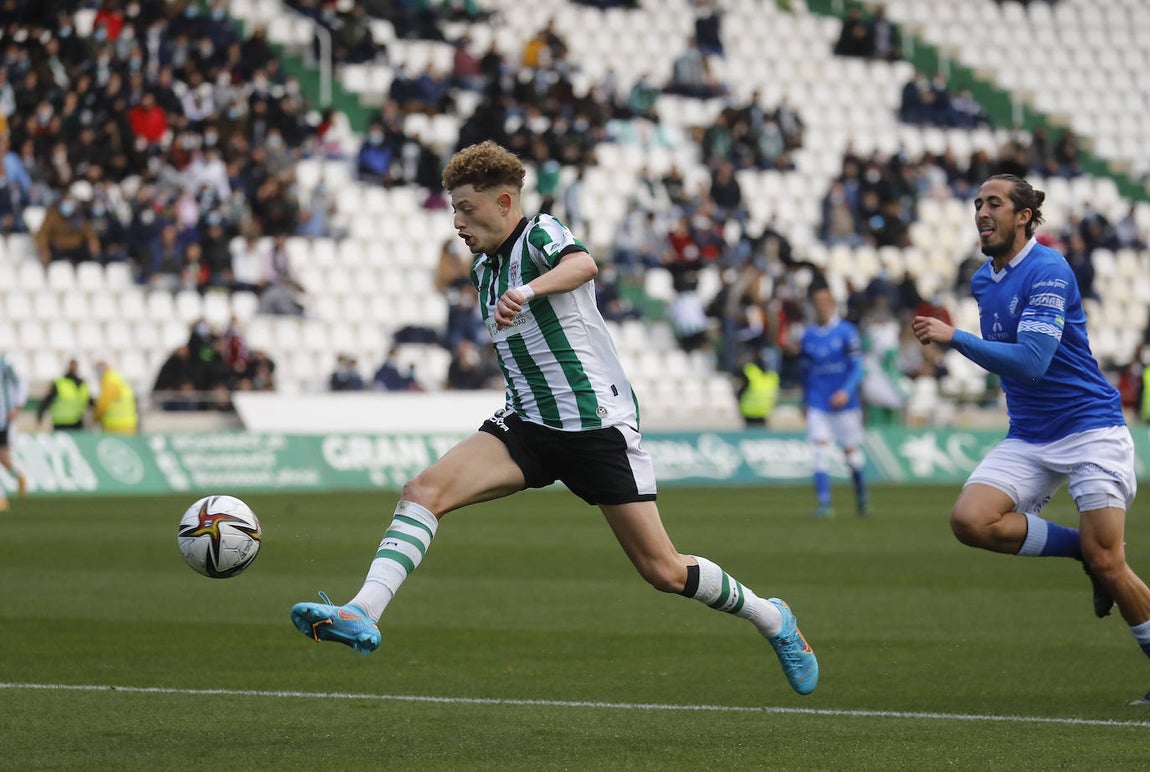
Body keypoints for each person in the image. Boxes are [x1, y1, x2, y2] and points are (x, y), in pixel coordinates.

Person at [290, 141, 818, 696]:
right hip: (528, 424)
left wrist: (530, 287)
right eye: (452, 210)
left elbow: (584, 263)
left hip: (595, 426)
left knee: (663, 570)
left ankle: (773, 619)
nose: (457, 222)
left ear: (503, 201)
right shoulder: (482, 270)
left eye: (466, 209)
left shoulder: (539, 233)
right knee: (423, 492)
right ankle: (361, 611)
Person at [912, 174, 1150, 705]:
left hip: (1089, 429)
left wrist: (956, 339)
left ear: (1023, 216)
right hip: (1030, 435)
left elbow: (1034, 361)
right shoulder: (982, 279)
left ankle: (1099, 566)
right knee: (969, 520)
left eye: (993, 203)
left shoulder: (1048, 268)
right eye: (977, 203)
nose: (981, 211)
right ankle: (1082, 554)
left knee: (1113, 562)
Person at [796, 282, 868, 518]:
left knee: (851, 456)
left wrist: (846, 391)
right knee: (819, 451)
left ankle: (861, 496)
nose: (822, 307)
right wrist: (805, 401)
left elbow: (858, 368)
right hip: (818, 402)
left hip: (844, 404)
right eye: (817, 303)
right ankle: (825, 503)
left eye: (826, 303)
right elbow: (805, 373)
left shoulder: (846, 332)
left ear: (833, 304)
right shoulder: (807, 336)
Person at [0, 353, 28, 510]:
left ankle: (18, 476)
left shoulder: (4, 364)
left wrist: (17, 405)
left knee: (3, 459)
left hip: (2, 418)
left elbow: (21, 382)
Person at [36, 358, 92, 431]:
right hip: (61, 422)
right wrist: (40, 414)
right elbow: (47, 399)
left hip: (77, 421)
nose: (73, 367)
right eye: (71, 365)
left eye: (75, 365)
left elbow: (89, 401)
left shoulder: (83, 384)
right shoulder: (59, 382)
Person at [93, 359, 139, 435]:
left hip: (116, 427)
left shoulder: (109, 381)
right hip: (129, 424)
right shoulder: (117, 378)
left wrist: (95, 419)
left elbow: (103, 405)